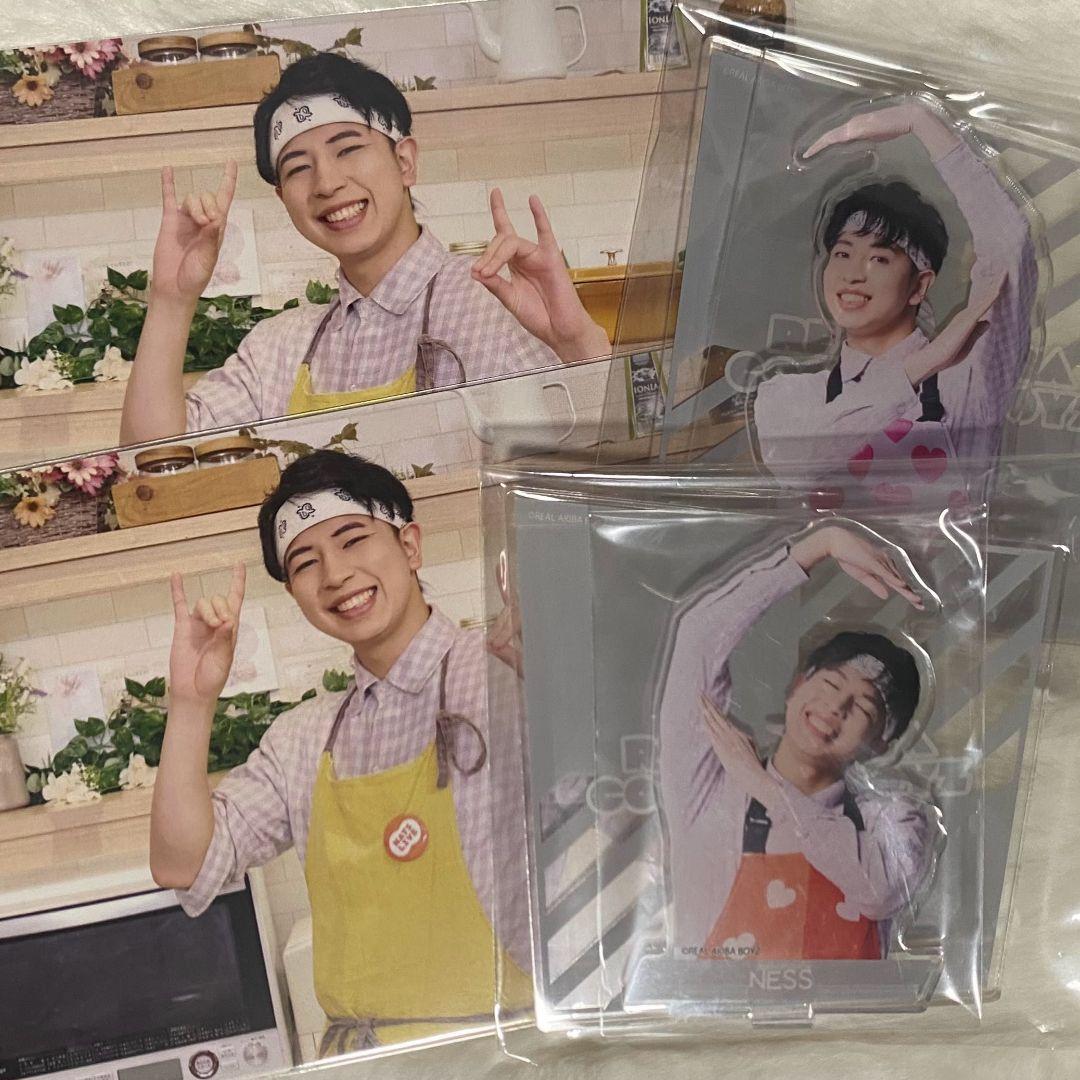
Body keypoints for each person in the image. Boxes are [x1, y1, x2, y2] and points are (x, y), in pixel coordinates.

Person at [149, 450, 532, 1054]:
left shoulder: (503, 670)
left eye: (353, 539)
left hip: (516, 1054)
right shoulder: (302, 739)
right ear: (295, 594)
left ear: (410, 546)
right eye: (305, 562)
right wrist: (191, 702)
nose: (335, 574)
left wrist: (556, 671)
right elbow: (183, 866)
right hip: (368, 1063)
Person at [120, 53, 610, 443]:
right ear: (283, 199)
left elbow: (599, 451)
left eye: (348, 148)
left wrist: (576, 343)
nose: (327, 182)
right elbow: (156, 460)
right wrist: (171, 299)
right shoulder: (277, 350)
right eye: (298, 167)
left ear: (405, 161)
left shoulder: (489, 301)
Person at [658, 524, 937, 961]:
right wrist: (817, 546)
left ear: (881, 743)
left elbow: (878, 894)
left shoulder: (890, 821)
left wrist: (769, 790)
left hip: (844, 1010)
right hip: (716, 1007)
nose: (836, 707)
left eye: (864, 708)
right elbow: (698, 635)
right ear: (796, 686)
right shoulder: (707, 791)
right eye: (830, 683)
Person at [751, 98, 1037, 507]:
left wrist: (923, 123)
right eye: (843, 253)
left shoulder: (967, 380)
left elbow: (1011, 247)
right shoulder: (789, 397)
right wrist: (920, 365)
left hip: (953, 551)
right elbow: (803, 463)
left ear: (920, 286)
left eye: (880, 259)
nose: (853, 273)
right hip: (822, 553)